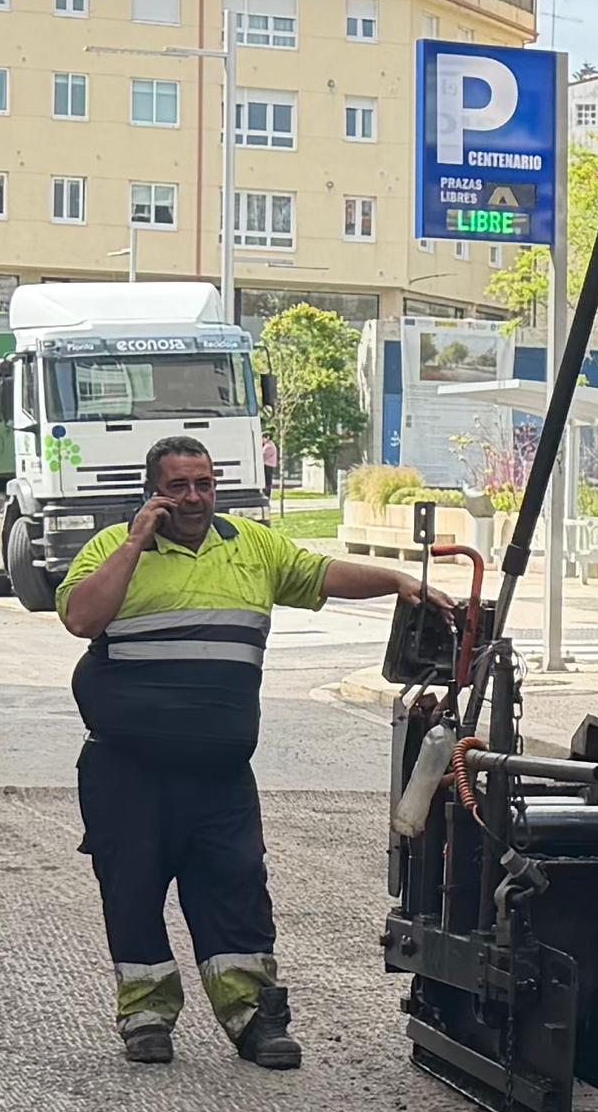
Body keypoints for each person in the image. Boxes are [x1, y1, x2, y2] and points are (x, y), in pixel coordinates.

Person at [54, 435, 423, 1066]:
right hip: (127, 772)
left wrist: (396, 580)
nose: (194, 497)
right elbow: (82, 618)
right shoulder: (112, 548)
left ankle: (254, 1018)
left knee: (237, 889)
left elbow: (321, 574)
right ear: (152, 493)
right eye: (178, 486)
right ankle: (146, 1016)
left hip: (221, 775)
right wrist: (136, 542)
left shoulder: (251, 546)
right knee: (132, 892)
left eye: (204, 483)